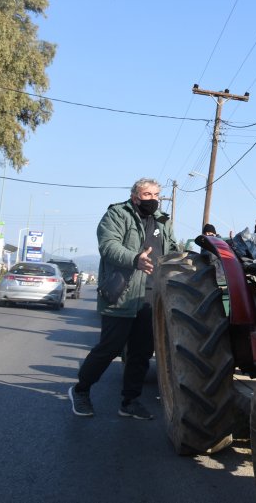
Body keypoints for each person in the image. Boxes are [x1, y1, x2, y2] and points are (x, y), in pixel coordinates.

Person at [68, 178, 177, 419]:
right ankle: (81, 390)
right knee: (110, 347)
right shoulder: (117, 214)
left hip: (151, 295)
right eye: (147, 194)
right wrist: (135, 258)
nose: (153, 199)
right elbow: (108, 246)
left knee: (141, 352)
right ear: (135, 196)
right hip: (122, 292)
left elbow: (171, 249)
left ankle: (130, 401)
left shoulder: (163, 220)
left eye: (157, 194)